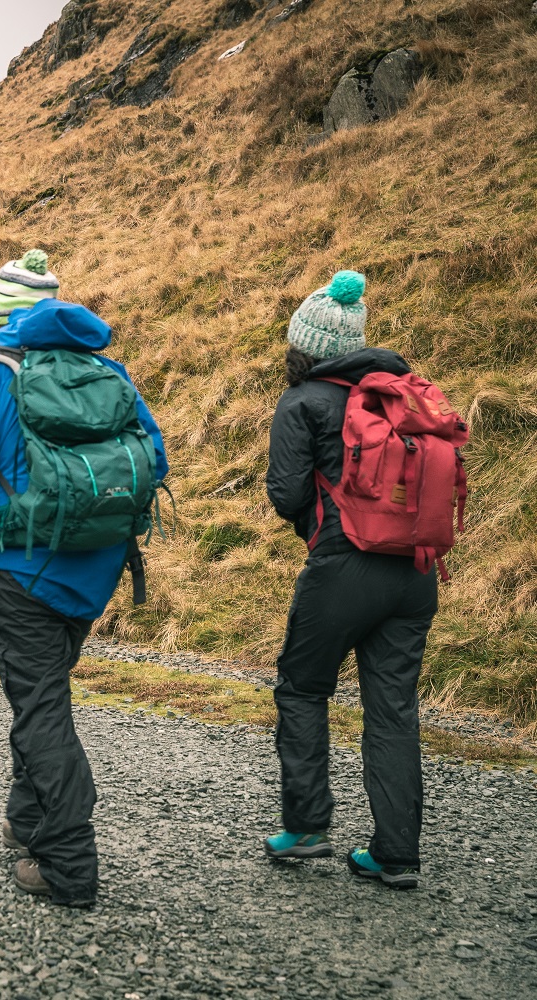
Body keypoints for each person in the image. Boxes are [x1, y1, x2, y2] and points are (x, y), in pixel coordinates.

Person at [0, 250, 167, 908]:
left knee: (39, 708)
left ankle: (68, 863)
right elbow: (156, 454)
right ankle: (26, 819)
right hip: (98, 566)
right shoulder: (103, 368)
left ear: (2, 315)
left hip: (21, 566)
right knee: (44, 691)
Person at [262, 270, 436, 889]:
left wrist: (321, 530)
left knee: (304, 688)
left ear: (302, 343)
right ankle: (395, 855)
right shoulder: (398, 396)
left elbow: (285, 491)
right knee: (392, 710)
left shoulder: (302, 400)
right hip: (416, 571)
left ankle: (307, 827)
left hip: (343, 566)